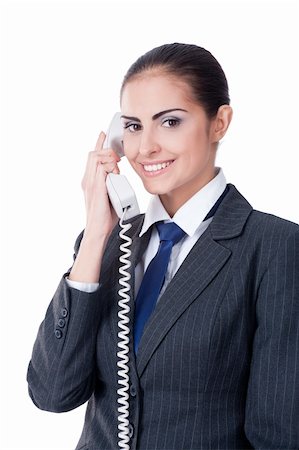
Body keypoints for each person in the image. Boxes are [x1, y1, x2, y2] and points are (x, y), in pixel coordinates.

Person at [27, 43, 299, 450]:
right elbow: (52, 393)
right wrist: (97, 233)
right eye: (134, 126)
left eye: (169, 122)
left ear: (219, 122)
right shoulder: (106, 245)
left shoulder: (276, 248)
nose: (145, 147)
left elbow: (278, 435)